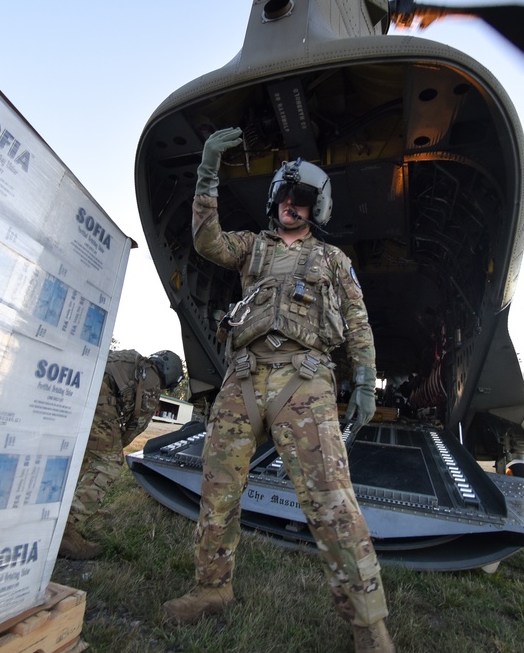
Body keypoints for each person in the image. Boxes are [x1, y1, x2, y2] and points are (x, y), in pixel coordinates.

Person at [161, 128, 394, 652]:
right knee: (218, 491)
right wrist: (207, 171)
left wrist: (363, 380)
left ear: (318, 208)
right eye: (287, 196)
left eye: (304, 200)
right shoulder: (250, 248)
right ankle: (211, 589)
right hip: (243, 379)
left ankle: (368, 625)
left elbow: (358, 323)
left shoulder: (333, 262)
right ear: (275, 200)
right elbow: (206, 241)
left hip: (303, 381)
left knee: (332, 502)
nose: (293, 205)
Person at [59, 348, 183, 560]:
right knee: (109, 462)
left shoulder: (131, 358)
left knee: (87, 456)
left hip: (72, 382)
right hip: (98, 397)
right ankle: (64, 528)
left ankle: (68, 504)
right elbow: (136, 427)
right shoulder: (151, 383)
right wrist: (115, 445)